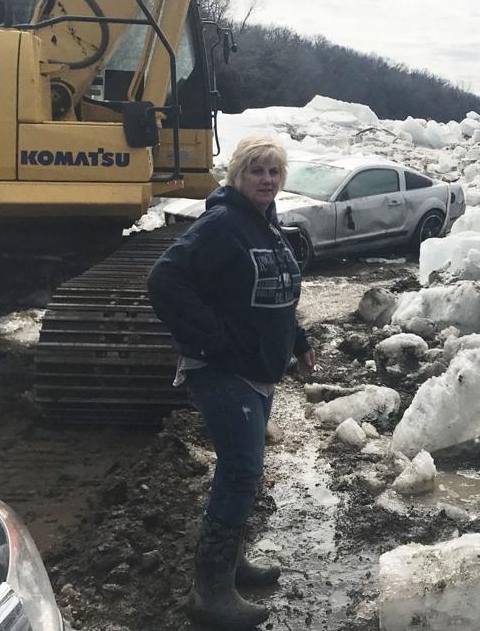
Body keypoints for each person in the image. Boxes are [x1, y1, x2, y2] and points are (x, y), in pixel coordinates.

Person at [147, 135, 315, 629]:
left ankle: (230, 563)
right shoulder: (222, 224)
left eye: (274, 172)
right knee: (242, 469)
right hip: (223, 370)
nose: (266, 180)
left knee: (241, 470)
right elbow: (164, 280)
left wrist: (298, 339)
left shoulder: (267, 225)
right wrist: (214, 341)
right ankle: (210, 593)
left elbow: (279, 292)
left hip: (258, 370)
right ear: (237, 175)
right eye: (256, 171)